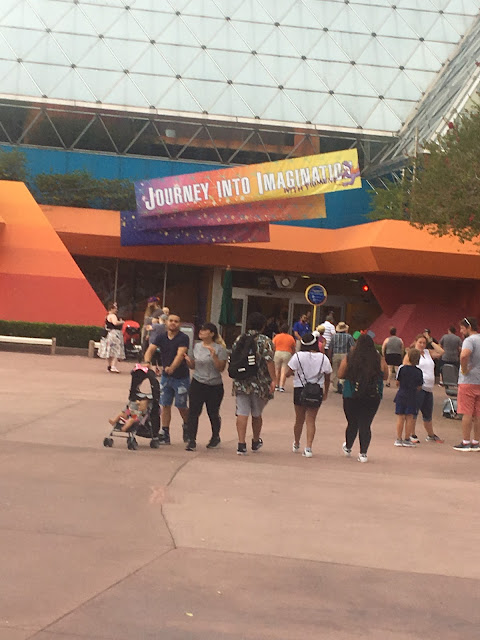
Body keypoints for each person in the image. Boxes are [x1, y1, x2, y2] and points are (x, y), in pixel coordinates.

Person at [338, 334, 388, 462]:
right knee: (366, 423)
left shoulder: (350, 357)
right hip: (372, 395)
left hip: (351, 394)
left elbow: (340, 374)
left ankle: (348, 446)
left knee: (352, 423)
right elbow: (385, 375)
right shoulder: (378, 358)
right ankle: (363, 453)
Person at [232, 312, 275, 455]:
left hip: (241, 381)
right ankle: (255, 441)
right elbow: (269, 361)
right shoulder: (265, 341)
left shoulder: (240, 338)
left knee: (242, 412)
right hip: (260, 382)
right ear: (263, 326)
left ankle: (241, 444)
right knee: (257, 413)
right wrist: (274, 379)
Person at [144, 313, 190, 445]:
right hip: (165, 377)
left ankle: (187, 425)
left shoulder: (183, 338)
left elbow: (180, 354)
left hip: (181, 377)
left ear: (179, 324)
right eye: (171, 321)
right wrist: (147, 361)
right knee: (165, 404)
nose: (173, 323)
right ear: (166, 322)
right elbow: (151, 349)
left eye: (176, 321)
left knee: (181, 405)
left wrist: (172, 367)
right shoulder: (161, 337)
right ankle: (165, 432)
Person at [286, 332, 332, 457]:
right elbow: (328, 377)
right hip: (316, 390)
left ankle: (296, 443)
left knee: (299, 419)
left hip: (300, 388)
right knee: (311, 419)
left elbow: (287, 372)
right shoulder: (323, 358)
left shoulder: (297, 356)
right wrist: (326, 392)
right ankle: (309, 447)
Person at [184, 323, 227, 451]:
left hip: (214, 385)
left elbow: (221, 368)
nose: (201, 332)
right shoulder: (196, 346)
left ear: (212, 333)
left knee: (213, 412)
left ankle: (215, 437)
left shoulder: (220, 349)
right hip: (198, 382)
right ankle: (192, 440)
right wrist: (188, 361)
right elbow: (193, 365)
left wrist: (214, 357)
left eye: (205, 330)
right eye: (201, 329)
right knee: (193, 412)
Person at [407, 333, 444, 444]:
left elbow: (441, 352)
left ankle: (430, 434)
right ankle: (411, 434)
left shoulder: (428, 353)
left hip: (429, 388)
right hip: (418, 387)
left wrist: (431, 341)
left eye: (424, 343)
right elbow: (405, 367)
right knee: (414, 412)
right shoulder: (412, 354)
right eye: (420, 342)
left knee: (428, 413)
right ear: (415, 342)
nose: (422, 345)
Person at [453, 317, 480, 451]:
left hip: (468, 381)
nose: (461, 331)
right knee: (478, 414)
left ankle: (465, 441)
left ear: (469, 328)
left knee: (467, 412)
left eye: (462, 328)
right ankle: (476, 441)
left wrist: (464, 368)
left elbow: (464, 355)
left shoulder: (469, 341)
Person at [393, 348, 423, 447]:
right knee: (410, 417)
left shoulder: (402, 369)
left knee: (400, 417)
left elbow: (397, 382)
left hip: (402, 393)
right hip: (412, 395)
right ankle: (407, 438)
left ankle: (398, 438)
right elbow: (419, 386)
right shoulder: (419, 371)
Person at [98, 302, 125, 373]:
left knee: (109, 351)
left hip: (108, 334)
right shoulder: (113, 316)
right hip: (114, 334)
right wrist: (121, 322)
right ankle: (113, 366)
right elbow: (115, 323)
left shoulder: (107, 315)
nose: (116, 310)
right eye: (115, 308)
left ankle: (109, 366)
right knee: (116, 350)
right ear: (112, 309)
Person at [330, 322, 354, 393]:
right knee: (344, 370)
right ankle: (342, 384)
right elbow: (352, 347)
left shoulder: (334, 336)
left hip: (336, 354)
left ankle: (337, 386)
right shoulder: (349, 336)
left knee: (336, 370)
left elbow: (330, 347)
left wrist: (330, 356)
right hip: (345, 355)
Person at [272, 323, 296, 392]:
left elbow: (273, 346)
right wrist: (292, 354)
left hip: (278, 352)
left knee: (276, 370)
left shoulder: (277, 336)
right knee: (284, 370)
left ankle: (276, 385)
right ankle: (281, 386)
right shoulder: (290, 337)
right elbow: (293, 347)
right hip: (287, 353)